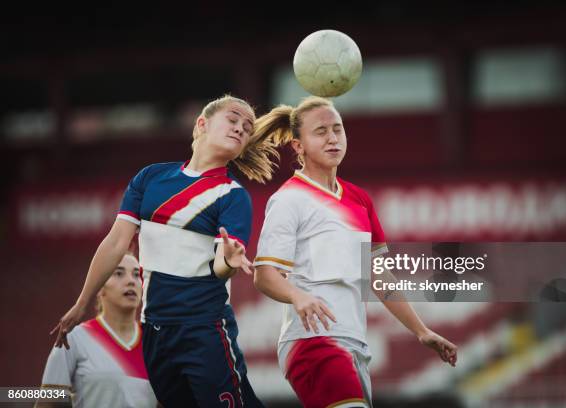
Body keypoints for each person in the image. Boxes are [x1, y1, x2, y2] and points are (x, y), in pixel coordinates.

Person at [51, 95, 278, 407]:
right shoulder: (150, 177)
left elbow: (219, 269)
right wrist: (81, 303)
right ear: (202, 124)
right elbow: (116, 243)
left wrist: (228, 260)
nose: (241, 129)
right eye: (233, 120)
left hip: (204, 328)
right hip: (156, 332)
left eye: (247, 127)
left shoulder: (232, 195)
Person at [252, 96, 458, 408]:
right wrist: (298, 296)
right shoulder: (288, 200)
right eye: (320, 131)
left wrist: (421, 331)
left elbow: (377, 273)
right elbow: (265, 275)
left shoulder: (360, 199)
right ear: (298, 146)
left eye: (338, 129)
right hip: (312, 342)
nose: (333, 137)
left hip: (355, 343)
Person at [38, 253, 157, 408]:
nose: (131, 281)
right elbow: (48, 403)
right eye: (119, 273)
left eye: (137, 275)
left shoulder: (155, 345)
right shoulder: (74, 339)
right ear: (100, 287)